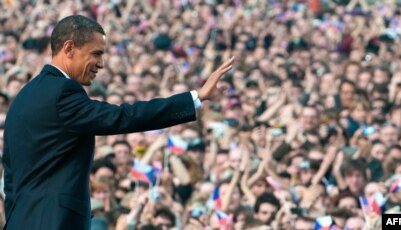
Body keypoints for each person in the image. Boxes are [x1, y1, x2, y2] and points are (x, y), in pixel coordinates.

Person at [2, 15, 234, 230]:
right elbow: (122, 117)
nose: (101, 64)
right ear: (69, 48)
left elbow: (11, 177)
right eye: (96, 53)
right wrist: (195, 98)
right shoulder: (62, 91)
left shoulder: (24, 98)